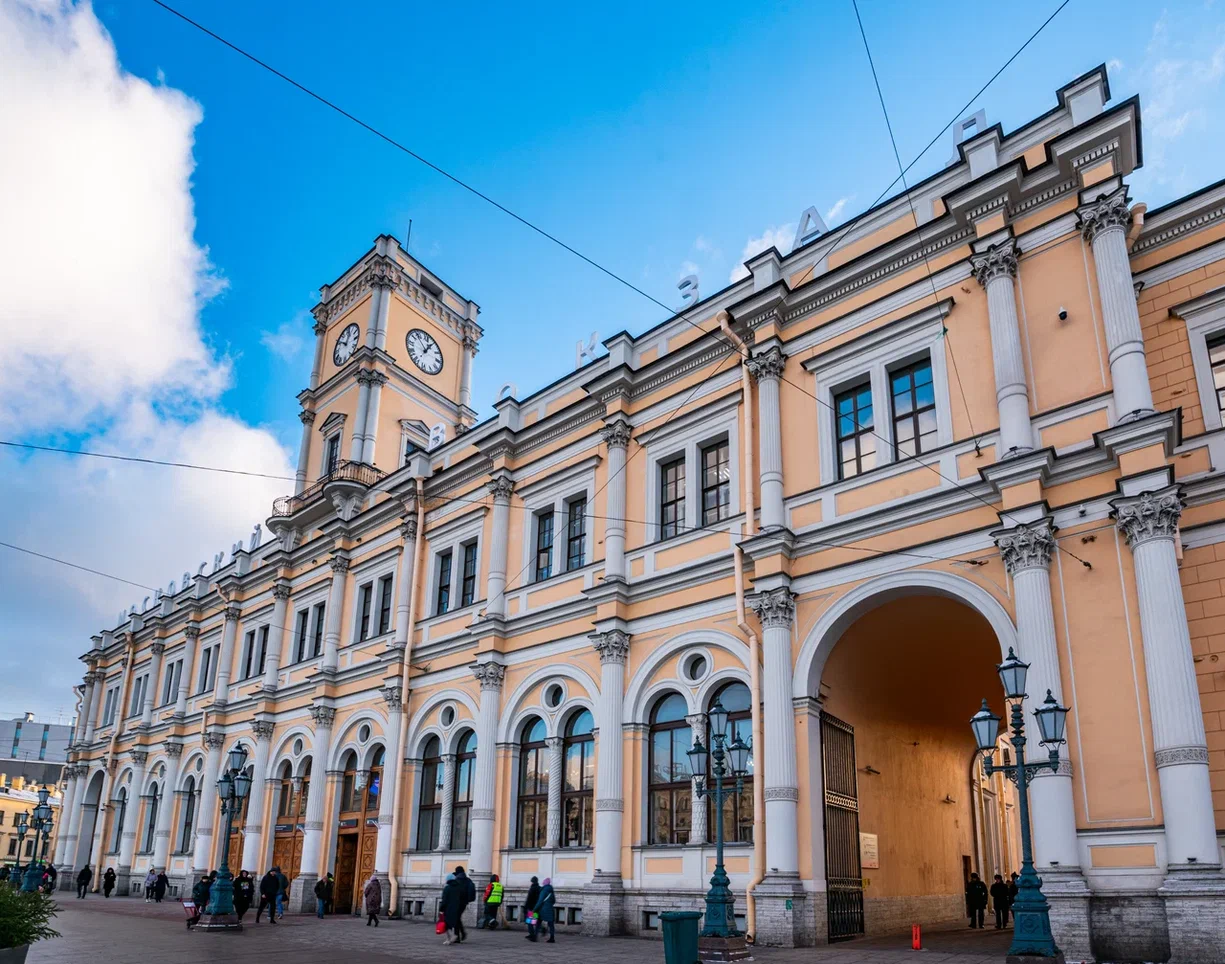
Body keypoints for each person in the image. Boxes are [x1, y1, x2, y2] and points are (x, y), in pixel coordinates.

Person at [440, 873, 462, 945]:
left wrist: (441, 909)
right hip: (457, 908)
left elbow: (444, 900)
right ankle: (452, 937)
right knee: (454, 923)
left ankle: (450, 938)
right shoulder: (459, 887)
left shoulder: (447, 888)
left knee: (446, 924)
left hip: (448, 909)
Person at [534, 877, 557, 944]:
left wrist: (534, 909)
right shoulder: (551, 890)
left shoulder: (544, 890)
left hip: (542, 910)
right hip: (550, 909)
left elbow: (540, 901)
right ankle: (552, 938)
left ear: (544, 883)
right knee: (551, 924)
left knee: (538, 922)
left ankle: (535, 936)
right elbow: (554, 901)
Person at [524, 875, 542, 941]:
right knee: (534, 921)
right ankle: (533, 933)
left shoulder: (532, 888)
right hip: (537, 907)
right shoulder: (540, 888)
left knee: (530, 922)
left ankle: (532, 934)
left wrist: (526, 906)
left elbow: (529, 899)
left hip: (531, 907)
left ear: (532, 882)